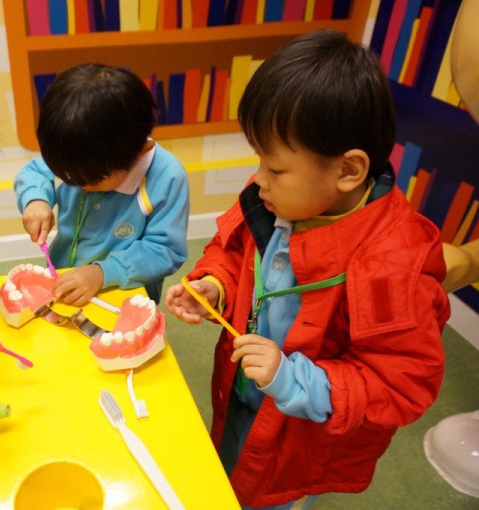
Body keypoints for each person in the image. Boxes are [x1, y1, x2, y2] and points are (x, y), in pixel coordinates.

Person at [165, 30, 450, 508]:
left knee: (269, 494)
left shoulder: (393, 266)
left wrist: (291, 378)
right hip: (243, 392)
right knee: (227, 476)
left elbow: (400, 384)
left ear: (348, 171)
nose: (258, 179)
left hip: (301, 437)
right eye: (260, 161)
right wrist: (216, 285)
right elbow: (233, 251)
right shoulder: (281, 198)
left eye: (275, 169)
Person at [14, 63, 189, 305]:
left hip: (124, 291)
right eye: (67, 176)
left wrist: (103, 273)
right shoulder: (74, 153)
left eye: (89, 181)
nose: (76, 184)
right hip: (65, 279)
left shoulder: (167, 177)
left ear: (140, 152)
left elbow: (165, 250)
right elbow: (35, 171)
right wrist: (35, 199)